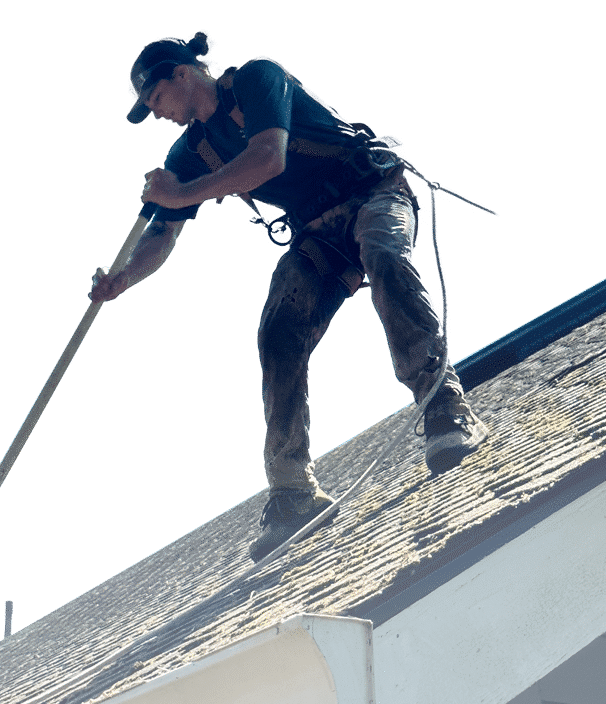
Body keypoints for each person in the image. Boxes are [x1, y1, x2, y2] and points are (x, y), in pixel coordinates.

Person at [89, 32, 488, 561]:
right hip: (318, 234)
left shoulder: (257, 78)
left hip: (371, 193)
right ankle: (292, 488)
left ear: (182, 75)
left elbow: (268, 157)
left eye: (156, 99)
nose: (157, 113)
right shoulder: (191, 153)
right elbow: (163, 234)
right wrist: (124, 278)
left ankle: (443, 403)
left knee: (385, 255)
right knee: (279, 328)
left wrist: (180, 193)